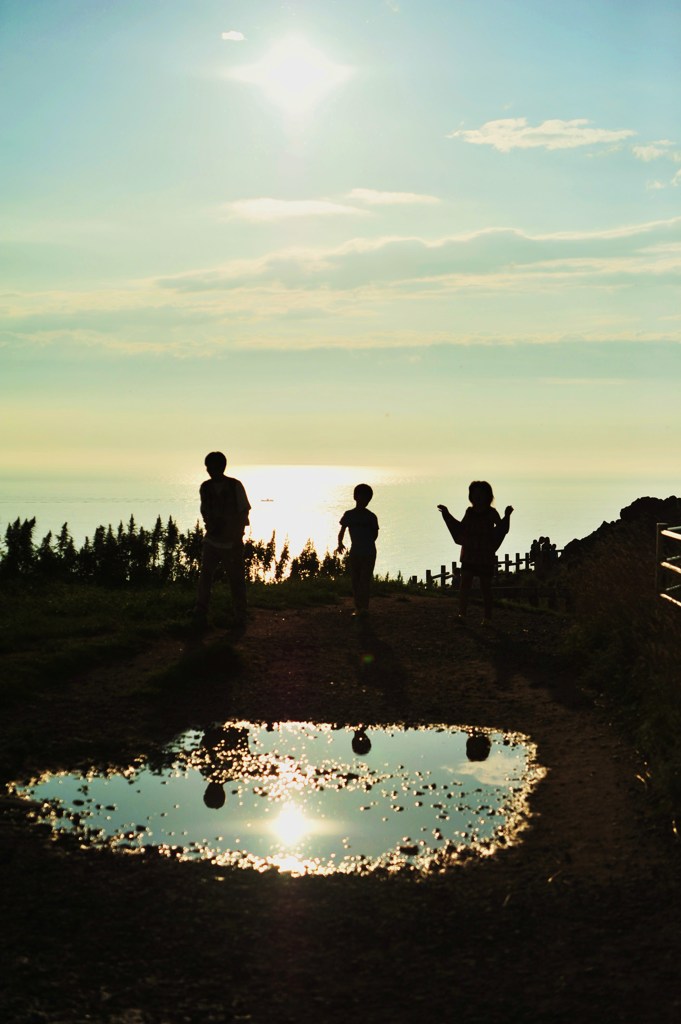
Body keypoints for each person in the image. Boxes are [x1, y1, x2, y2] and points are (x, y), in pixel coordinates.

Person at [437, 480, 513, 625]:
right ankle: (462, 614)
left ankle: (487, 618)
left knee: (486, 588)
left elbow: (502, 528)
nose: (477, 497)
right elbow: (462, 527)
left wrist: (507, 515)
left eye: (481, 494)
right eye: (474, 494)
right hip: (469, 553)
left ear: (487, 496)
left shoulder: (491, 513)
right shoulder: (469, 511)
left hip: (485, 555)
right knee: (465, 585)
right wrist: (447, 514)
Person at [193, 451, 251, 628]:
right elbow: (205, 511)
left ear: (220, 467)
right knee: (205, 578)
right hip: (211, 540)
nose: (209, 470)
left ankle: (240, 616)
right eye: (208, 467)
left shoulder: (235, 486)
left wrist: (236, 535)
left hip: (231, 542)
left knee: (236, 579)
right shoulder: (206, 487)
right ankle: (201, 613)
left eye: (211, 466)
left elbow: (243, 511)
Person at [337, 483, 379, 615]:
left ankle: (364, 608)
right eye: (363, 497)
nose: (365, 500)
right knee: (355, 580)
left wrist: (366, 542)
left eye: (368, 498)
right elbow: (342, 530)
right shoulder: (349, 514)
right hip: (355, 551)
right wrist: (340, 543)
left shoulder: (371, 516)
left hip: (369, 551)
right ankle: (358, 607)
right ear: (355, 497)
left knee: (364, 580)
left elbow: (375, 534)